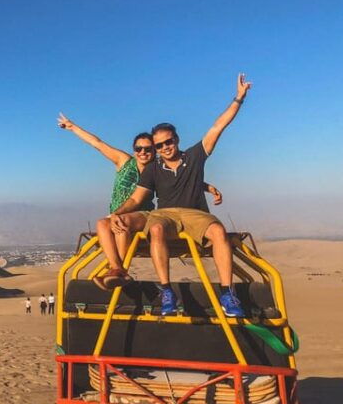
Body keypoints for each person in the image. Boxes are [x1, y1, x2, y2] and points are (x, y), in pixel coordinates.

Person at [108, 74, 252, 317]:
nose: (165, 148)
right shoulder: (153, 169)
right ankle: (166, 291)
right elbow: (136, 198)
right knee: (155, 230)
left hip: (196, 214)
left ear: (177, 140)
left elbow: (218, 126)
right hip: (165, 215)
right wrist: (117, 213)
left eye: (169, 142)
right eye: (159, 146)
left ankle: (227, 293)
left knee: (218, 232)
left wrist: (238, 98)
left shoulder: (194, 156)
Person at [59, 113, 222, 289]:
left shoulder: (156, 168)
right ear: (133, 149)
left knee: (121, 227)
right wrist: (72, 127)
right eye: (138, 148)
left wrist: (206, 187)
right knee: (102, 223)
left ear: (155, 150)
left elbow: (180, 179)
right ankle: (116, 268)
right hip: (118, 211)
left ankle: (118, 270)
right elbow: (97, 143)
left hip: (141, 216)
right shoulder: (124, 161)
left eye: (148, 149)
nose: (143, 152)